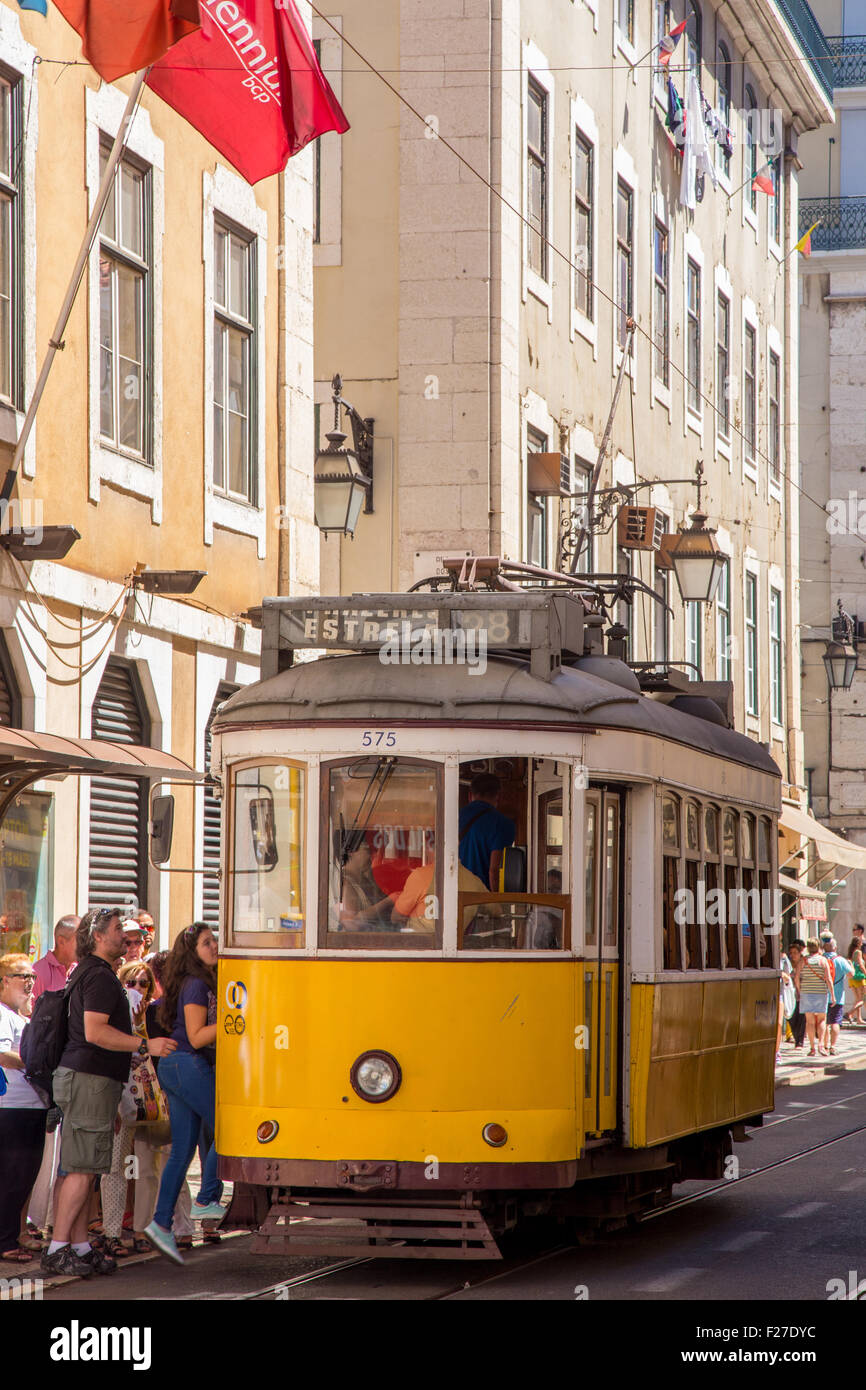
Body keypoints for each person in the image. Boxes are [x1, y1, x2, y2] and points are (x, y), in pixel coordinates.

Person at [42, 908, 176, 1279]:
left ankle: (80, 1245)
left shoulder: (93, 972)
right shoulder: (100, 977)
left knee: (85, 1166)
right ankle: (59, 1248)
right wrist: (146, 1044)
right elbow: (96, 1032)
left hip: (92, 1082)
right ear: (99, 936)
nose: (126, 937)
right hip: (89, 1079)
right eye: (119, 930)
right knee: (82, 1170)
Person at [144, 922, 224, 1265]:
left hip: (175, 1067)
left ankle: (161, 1223)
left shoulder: (198, 982)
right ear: (193, 952)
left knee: (182, 1150)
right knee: (228, 1125)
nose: (215, 945)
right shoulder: (195, 985)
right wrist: (236, 1018)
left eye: (214, 939)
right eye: (208, 942)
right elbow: (196, 1036)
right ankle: (206, 1198)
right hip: (187, 1063)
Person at [0, 955, 48, 1263]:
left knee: (24, 1177)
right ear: (3, 981)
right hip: (14, 1105)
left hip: (32, 1104)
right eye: (21, 976)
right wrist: (35, 1064)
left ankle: (13, 1235)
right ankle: (5, 1242)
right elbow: (3, 1053)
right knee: (13, 1177)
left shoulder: (20, 1015)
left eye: (31, 976)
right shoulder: (3, 1013)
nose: (29, 982)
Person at [458, 773, 516, 891]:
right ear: (498, 796)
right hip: (482, 895)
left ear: (470, 796)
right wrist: (495, 902)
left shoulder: (452, 817)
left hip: (455, 892)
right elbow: (494, 871)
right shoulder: (504, 824)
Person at [338, 837, 394, 929]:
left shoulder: (366, 879)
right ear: (351, 852)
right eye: (367, 851)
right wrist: (388, 902)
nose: (371, 856)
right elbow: (351, 923)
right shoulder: (346, 884)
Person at [798, 937, 836, 1059]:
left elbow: (796, 977)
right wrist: (833, 995)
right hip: (820, 993)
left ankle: (812, 1048)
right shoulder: (823, 960)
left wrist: (799, 990)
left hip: (806, 993)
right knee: (821, 1020)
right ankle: (821, 1044)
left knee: (809, 1021)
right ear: (819, 947)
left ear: (808, 948)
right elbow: (828, 979)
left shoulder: (803, 961)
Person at [32, 916, 80, 1001]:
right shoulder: (38, 972)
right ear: (61, 941)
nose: (84, 945)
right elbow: (29, 1012)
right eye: (80, 941)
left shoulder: (80, 970)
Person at [821, 935, 854, 1055]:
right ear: (835, 948)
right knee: (835, 1022)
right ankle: (832, 1046)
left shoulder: (820, 959)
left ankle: (824, 1045)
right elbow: (851, 974)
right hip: (838, 997)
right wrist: (850, 964)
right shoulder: (841, 960)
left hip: (822, 996)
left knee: (823, 1022)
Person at [787, 940, 807, 1049]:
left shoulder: (804, 963)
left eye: (795, 952)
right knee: (792, 1018)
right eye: (791, 952)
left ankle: (800, 1042)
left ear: (800, 953)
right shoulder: (788, 964)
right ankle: (797, 1038)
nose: (793, 955)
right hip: (791, 995)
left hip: (803, 994)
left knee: (802, 1018)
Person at [844, 933, 866, 1025]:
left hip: (852, 978)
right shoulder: (858, 952)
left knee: (857, 999)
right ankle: (849, 1013)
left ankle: (859, 1019)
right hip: (859, 977)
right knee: (863, 999)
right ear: (858, 943)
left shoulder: (851, 952)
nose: (862, 944)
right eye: (860, 942)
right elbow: (861, 965)